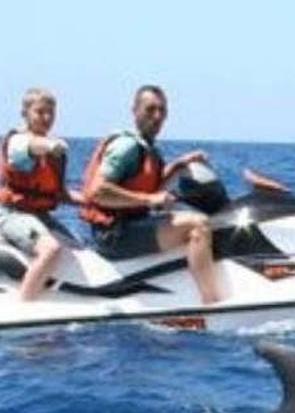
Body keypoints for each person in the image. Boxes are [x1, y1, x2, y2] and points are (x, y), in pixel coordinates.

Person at [77, 84, 223, 304]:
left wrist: (178, 165)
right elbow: (98, 191)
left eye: (162, 111)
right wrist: (149, 199)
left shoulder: (148, 148)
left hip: (128, 226)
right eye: (150, 109)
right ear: (135, 111)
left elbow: (147, 185)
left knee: (191, 214)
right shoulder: (126, 146)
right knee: (198, 224)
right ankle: (212, 302)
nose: (157, 116)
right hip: (114, 236)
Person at [0, 87, 75, 302]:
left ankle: (60, 294)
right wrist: (50, 145)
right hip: (13, 215)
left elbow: (62, 195)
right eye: (40, 112)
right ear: (25, 114)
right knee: (51, 249)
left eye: (51, 113)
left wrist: (95, 201)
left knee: (81, 251)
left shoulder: (53, 151)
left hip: (42, 216)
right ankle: (24, 303)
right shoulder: (18, 142)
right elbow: (31, 147)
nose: (46, 118)